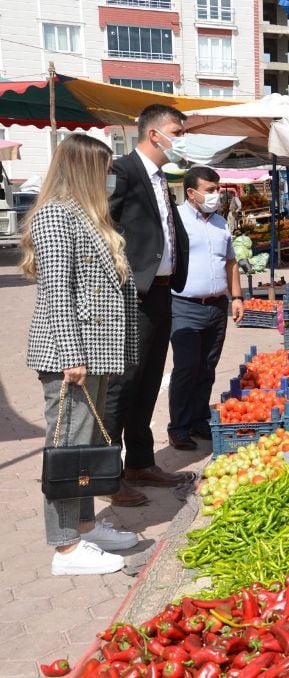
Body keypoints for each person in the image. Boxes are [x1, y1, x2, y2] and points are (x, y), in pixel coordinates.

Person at [22, 135, 141, 575]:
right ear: (85, 170)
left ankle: (85, 526)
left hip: (97, 350)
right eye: (106, 168)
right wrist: (72, 355)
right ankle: (65, 546)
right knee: (68, 445)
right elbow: (57, 290)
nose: (111, 176)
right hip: (71, 352)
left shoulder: (88, 216)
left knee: (88, 445)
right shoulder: (55, 214)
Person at [103, 103, 193, 507]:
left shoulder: (161, 178)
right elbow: (100, 224)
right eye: (178, 131)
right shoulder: (122, 170)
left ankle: (140, 461)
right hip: (131, 294)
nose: (182, 139)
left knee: (150, 379)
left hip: (161, 292)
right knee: (122, 385)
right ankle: (106, 474)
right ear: (155, 134)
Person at [167, 167, 245, 450]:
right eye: (209, 190)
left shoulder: (220, 222)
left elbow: (231, 262)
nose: (215, 195)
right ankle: (179, 426)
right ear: (191, 192)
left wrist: (237, 297)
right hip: (184, 305)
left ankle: (199, 420)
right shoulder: (174, 220)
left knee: (207, 367)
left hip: (217, 306)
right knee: (186, 367)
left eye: (217, 189)